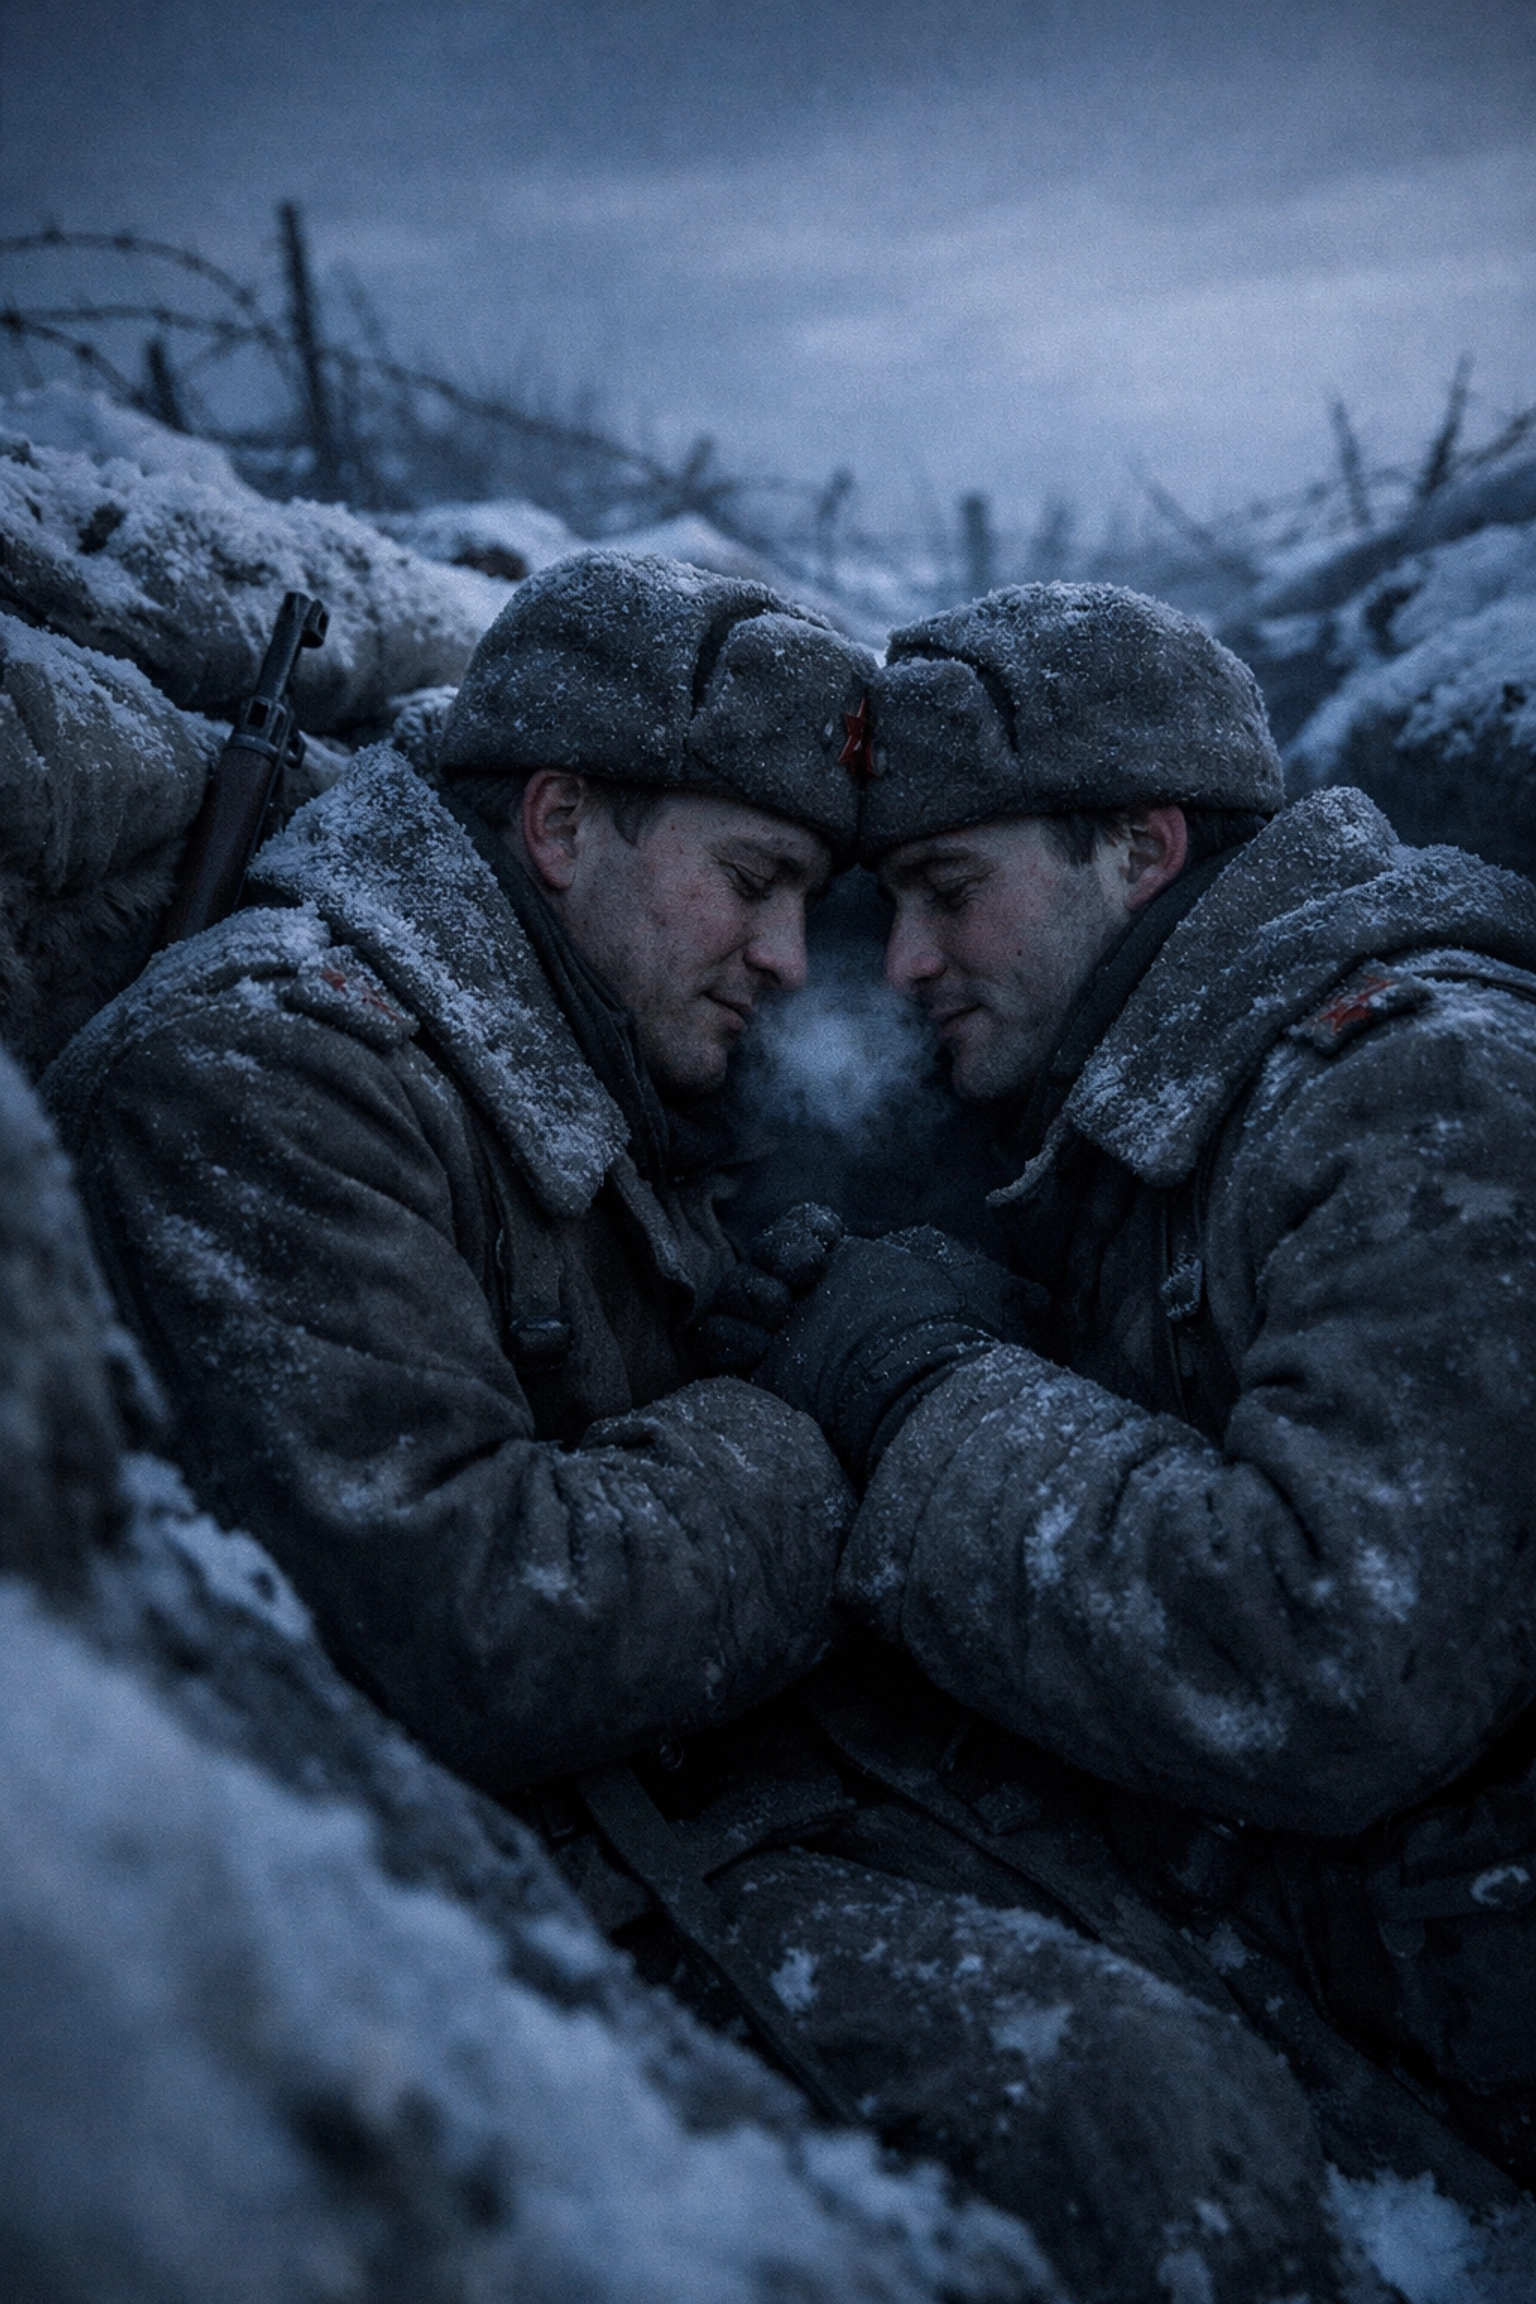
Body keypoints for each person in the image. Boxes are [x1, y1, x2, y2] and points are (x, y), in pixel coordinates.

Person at [48, 557, 1362, 2304]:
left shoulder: (554, 1030)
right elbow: (472, 1626)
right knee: (1132, 2123)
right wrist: (821, 1411)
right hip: (430, 1889)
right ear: (564, 821)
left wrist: (804, 1310)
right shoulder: (264, 1074)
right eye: (754, 884)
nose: (782, 957)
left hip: (685, 1791)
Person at [762, 580, 1536, 2196]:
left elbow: (1335, 1657)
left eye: (946, 890)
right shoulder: (1189, 1092)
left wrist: (922, 1395)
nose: (901, 962)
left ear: (1143, 850)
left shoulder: (1420, 1089)